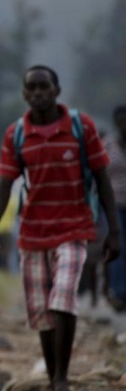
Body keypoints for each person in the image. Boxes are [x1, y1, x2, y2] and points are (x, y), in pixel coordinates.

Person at [0, 65, 120, 391]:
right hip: (32, 232)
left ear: (58, 91)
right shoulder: (16, 134)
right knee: (42, 312)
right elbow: (5, 183)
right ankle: (51, 374)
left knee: (63, 300)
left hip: (74, 229)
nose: (39, 93)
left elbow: (102, 178)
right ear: (24, 94)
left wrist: (114, 230)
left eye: (45, 87)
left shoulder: (80, 126)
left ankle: (61, 378)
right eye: (32, 88)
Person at [105, 105, 126, 311]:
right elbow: (100, 173)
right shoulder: (108, 145)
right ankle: (119, 293)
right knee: (118, 247)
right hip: (114, 205)